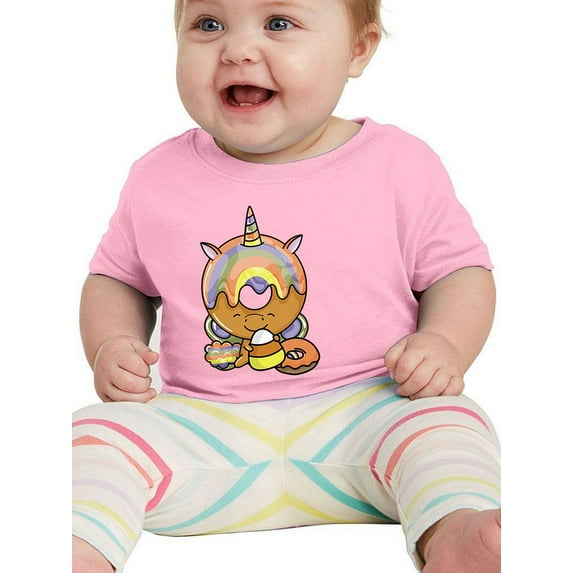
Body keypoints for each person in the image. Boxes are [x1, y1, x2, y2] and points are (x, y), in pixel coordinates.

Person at [72, 1, 501, 571]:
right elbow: (117, 279)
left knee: (448, 427)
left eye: (279, 23)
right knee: (95, 436)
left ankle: (455, 533)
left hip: (371, 415)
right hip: (203, 429)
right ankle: (78, 547)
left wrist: (445, 341)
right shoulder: (157, 176)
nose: (238, 49)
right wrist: (110, 344)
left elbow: (459, 271)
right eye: (208, 24)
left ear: (358, 50)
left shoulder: (399, 164)